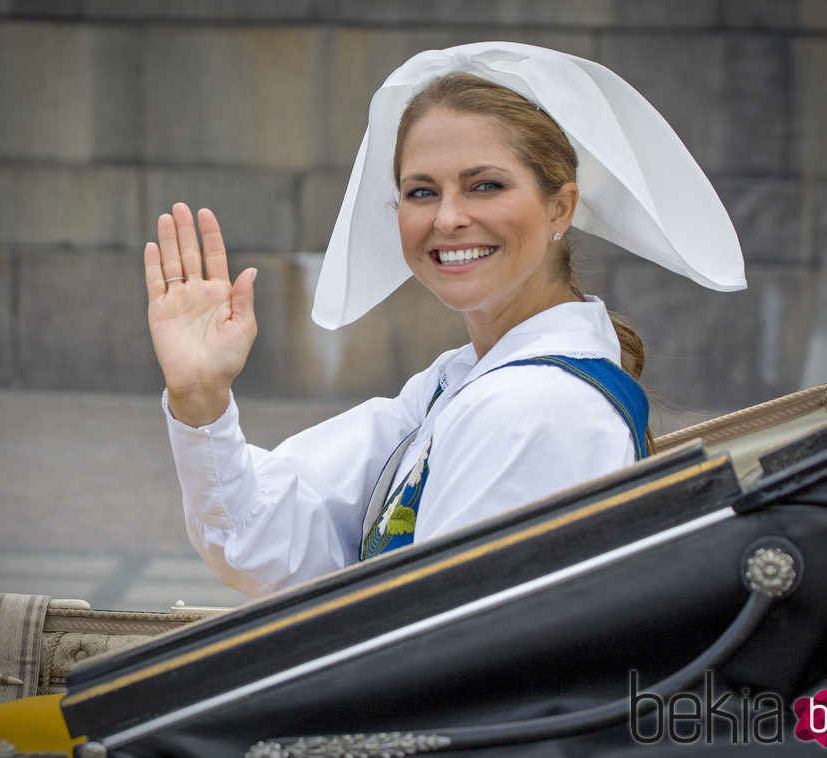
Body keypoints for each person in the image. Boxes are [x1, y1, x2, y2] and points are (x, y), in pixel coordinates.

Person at [143, 42, 746, 597]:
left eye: (484, 185)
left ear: (560, 206)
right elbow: (282, 542)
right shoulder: (457, 383)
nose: (448, 218)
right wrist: (202, 398)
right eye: (422, 191)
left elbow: (433, 645)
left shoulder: (532, 408)